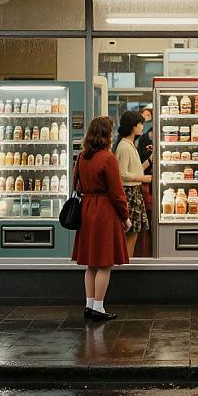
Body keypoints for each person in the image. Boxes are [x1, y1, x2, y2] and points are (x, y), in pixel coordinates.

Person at [71, 116, 132, 321]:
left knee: (91, 263)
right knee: (105, 263)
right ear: (107, 135)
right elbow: (117, 193)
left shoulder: (81, 157)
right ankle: (99, 307)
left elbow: (76, 186)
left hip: (87, 209)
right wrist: (125, 216)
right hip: (104, 211)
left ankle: (89, 306)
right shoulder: (108, 158)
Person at [115, 111, 152, 257]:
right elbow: (122, 174)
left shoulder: (129, 144)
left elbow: (135, 170)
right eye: (140, 123)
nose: (142, 126)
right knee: (131, 233)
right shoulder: (124, 147)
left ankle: (126, 262)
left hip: (133, 193)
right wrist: (145, 179)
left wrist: (150, 160)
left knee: (134, 232)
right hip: (129, 193)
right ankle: (126, 264)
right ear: (133, 126)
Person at [136, 126, 154, 257]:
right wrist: (152, 158)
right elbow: (138, 170)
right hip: (146, 191)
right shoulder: (128, 148)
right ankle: (146, 252)